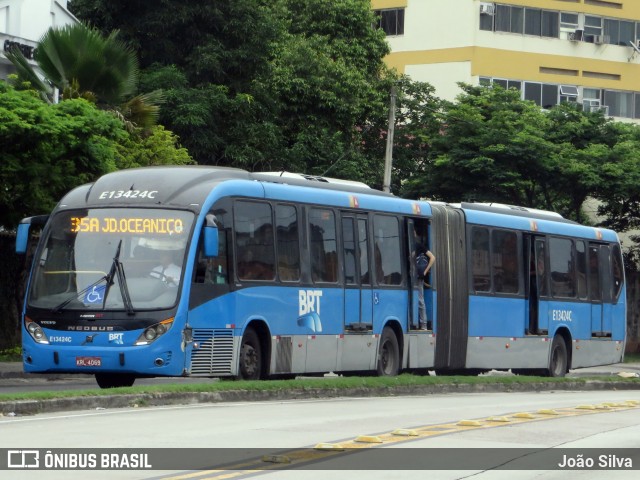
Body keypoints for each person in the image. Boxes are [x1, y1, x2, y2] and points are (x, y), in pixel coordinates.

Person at [416, 243, 435, 330]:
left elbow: (432, 258)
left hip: (419, 277)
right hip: (411, 277)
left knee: (420, 299)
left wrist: (425, 271)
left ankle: (424, 324)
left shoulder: (419, 245)